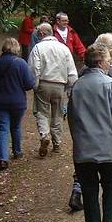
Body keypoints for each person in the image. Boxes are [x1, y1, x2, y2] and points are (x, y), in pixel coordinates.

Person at [68, 44, 112, 222]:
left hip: (84, 149)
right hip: (108, 149)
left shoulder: (77, 86)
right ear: (101, 62)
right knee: (111, 187)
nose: (110, 63)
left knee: (89, 190)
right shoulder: (111, 84)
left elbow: (71, 118)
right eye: (108, 60)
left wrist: (78, 140)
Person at [0, 38, 35, 170]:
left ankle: (3, 159)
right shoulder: (21, 63)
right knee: (16, 126)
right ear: (16, 48)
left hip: (0, 102)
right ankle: (17, 151)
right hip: (18, 102)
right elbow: (29, 84)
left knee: (2, 128)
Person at [28, 23, 77, 156]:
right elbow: (71, 70)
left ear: (43, 34)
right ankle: (57, 142)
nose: (37, 35)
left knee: (42, 112)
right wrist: (70, 88)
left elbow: (34, 69)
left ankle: (45, 135)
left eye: (38, 32)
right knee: (58, 114)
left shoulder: (38, 48)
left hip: (44, 84)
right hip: (60, 85)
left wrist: (35, 85)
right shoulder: (64, 48)